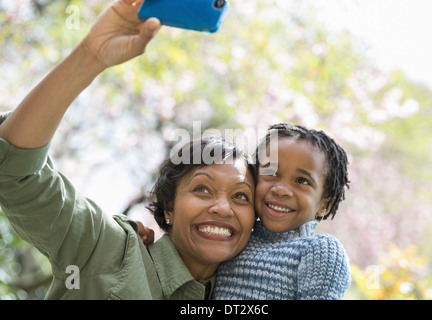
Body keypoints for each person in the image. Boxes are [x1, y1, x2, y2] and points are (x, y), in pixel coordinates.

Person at [0, 0, 257, 299]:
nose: (223, 208)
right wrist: (91, 56)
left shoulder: (251, 295)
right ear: (169, 207)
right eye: (202, 189)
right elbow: (16, 172)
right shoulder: (106, 248)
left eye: (241, 196)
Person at [139, 123, 352, 299]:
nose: (281, 189)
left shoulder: (320, 251)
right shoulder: (234, 243)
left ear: (325, 204)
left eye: (302, 181)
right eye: (271, 173)